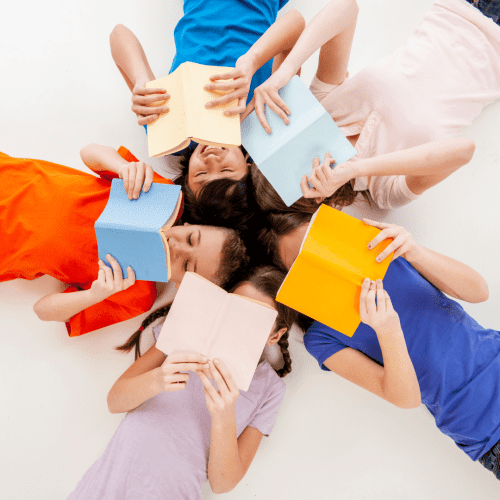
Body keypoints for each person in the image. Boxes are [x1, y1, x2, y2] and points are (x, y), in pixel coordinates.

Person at [66, 266, 298, 499]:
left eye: (256, 320)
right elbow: (114, 401)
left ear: (275, 336)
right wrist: (157, 379)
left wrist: (224, 416)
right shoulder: (184, 332)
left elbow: (223, 484)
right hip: (103, 489)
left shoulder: (269, 388)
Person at [247, 0, 500, 210]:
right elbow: (463, 151)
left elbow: (346, 9)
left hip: (454, 9)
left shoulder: (324, 109)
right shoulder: (383, 188)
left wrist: (287, 69)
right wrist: (355, 168)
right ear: (317, 196)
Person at [296, 219, 500, 478]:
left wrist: (415, 251)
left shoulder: (382, 252)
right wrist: (388, 331)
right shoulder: (321, 337)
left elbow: (479, 292)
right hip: (489, 433)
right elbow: (406, 399)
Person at [0, 144, 249, 337]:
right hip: (12, 176)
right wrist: (121, 167)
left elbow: (43, 311)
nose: (177, 248)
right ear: (194, 225)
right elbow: (89, 152)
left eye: (187, 265)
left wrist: (93, 296)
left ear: (182, 286)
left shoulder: (135, 296)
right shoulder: (160, 196)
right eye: (191, 239)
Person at [109, 3, 305, 195]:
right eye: (226, 170)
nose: (212, 160)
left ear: (187, 178)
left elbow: (118, 34)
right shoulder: (266, 124)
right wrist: (252, 61)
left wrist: (141, 81)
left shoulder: (173, 136)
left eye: (201, 173)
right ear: (247, 169)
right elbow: (296, 21)